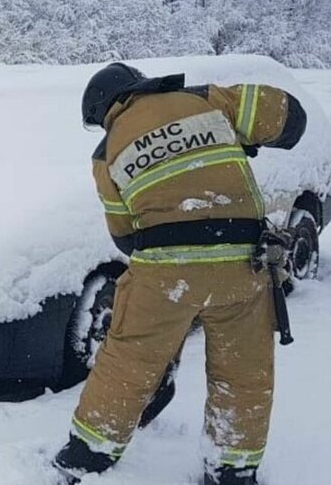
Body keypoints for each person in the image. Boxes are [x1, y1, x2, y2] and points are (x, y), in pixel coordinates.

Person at [53, 62, 307, 485]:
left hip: (165, 273)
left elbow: (124, 235)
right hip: (242, 263)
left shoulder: (106, 152)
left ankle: (87, 454)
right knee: (243, 373)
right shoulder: (205, 99)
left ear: (106, 110)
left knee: (127, 361)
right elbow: (288, 117)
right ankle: (233, 468)